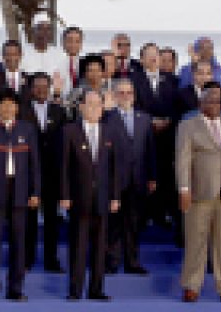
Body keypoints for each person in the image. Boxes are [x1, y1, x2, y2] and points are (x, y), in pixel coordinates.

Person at [176, 83, 221, 303]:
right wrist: (184, 189)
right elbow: (182, 160)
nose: (215, 105)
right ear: (201, 103)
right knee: (195, 242)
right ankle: (192, 285)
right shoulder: (188, 126)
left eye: (218, 101)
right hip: (199, 193)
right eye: (211, 101)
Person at [0, 89, 41, 301]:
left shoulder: (27, 130)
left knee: (18, 244)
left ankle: (15, 289)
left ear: (17, 108)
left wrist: (35, 191)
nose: (8, 108)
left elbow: (35, 164)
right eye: (4, 104)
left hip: (21, 192)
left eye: (12, 104)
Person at [60, 89, 120, 301]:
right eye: (91, 104)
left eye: (98, 104)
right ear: (82, 107)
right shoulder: (69, 131)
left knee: (100, 247)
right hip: (78, 198)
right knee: (78, 245)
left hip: (103, 199)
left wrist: (115, 196)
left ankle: (96, 290)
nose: (95, 108)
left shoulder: (110, 131)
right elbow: (64, 167)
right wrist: (65, 195)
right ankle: (75, 290)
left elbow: (114, 167)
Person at [104, 77, 155, 275]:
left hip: (138, 179)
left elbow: (150, 150)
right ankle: (111, 261)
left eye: (129, 93)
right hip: (114, 179)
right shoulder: (107, 118)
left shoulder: (145, 119)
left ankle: (132, 262)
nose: (126, 96)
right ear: (115, 96)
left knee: (134, 223)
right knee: (113, 223)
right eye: (121, 93)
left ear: (134, 96)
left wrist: (152, 177)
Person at [20, 72, 65, 272]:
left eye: (44, 86)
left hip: (52, 173)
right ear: (30, 89)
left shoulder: (59, 111)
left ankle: (51, 259)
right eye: (37, 86)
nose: (41, 90)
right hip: (28, 172)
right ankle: (27, 258)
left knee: (52, 219)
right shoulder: (22, 111)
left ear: (50, 88)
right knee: (28, 219)